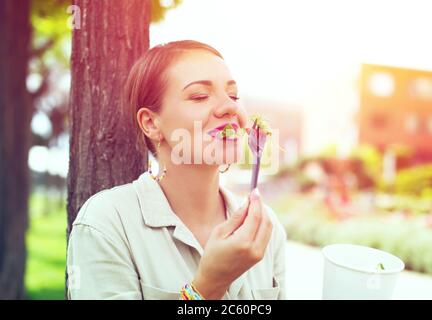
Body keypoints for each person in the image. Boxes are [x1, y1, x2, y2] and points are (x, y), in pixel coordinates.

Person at [67, 40, 287, 300]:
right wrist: (207, 287)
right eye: (199, 96)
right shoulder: (106, 224)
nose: (230, 107)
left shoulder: (266, 228)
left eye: (233, 95)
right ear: (151, 123)